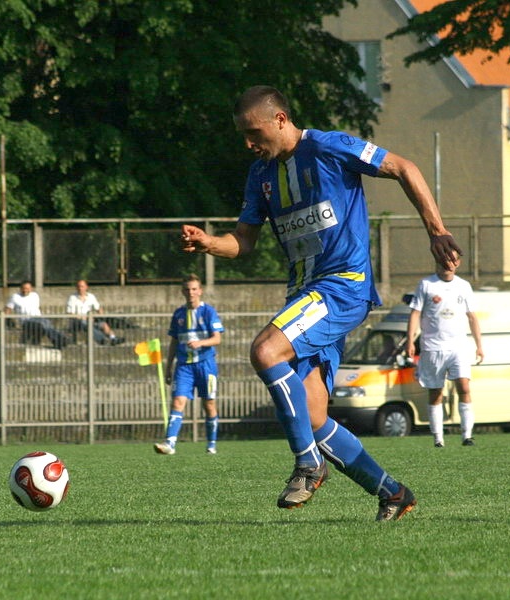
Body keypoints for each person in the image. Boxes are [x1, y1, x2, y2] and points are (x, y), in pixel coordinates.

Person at [180, 85, 461, 521]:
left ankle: (308, 465)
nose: (249, 144)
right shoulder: (261, 175)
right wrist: (209, 243)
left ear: (280, 120)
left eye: (253, 132)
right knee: (312, 416)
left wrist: (436, 230)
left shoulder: (330, 147)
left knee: (265, 350)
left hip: (343, 285)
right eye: (242, 135)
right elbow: (244, 242)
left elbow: (404, 168)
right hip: (305, 296)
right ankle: (392, 493)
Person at [406, 257, 484, 448]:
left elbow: (472, 316)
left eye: (452, 261)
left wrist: (479, 344)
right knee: (436, 392)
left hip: (458, 347)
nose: (448, 265)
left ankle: (467, 436)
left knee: (464, 388)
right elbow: (415, 313)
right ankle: (438, 438)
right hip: (433, 347)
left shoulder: (464, 286)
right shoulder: (426, 284)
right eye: (444, 261)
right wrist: (410, 341)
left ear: (457, 263)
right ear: (437, 263)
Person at [154, 274, 224, 455]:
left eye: (194, 289)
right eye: (187, 289)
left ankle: (211, 444)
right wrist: (168, 366)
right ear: (182, 291)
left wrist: (201, 343)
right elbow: (173, 342)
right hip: (184, 366)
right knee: (178, 401)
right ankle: (169, 444)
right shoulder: (178, 314)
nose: (190, 292)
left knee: (209, 404)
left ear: (199, 291)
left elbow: (217, 338)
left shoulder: (208, 312)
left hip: (206, 365)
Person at [0, 280, 69, 350]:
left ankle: (59, 340)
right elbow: (6, 312)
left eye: (28, 288)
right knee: (44, 323)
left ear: (31, 289)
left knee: (46, 322)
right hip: (26, 321)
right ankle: (60, 339)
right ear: (20, 288)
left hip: (38, 318)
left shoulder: (35, 295)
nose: (25, 290)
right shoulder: (15, 297)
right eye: (24, 288)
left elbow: (37, 308)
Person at [65, 279, 124, 345]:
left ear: (86, 287)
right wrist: (83, 317)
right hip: (77, 321)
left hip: (90, 319)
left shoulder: (91, 296)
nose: (80, 288)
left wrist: (100, 316)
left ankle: (113, 338)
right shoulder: (72, 298)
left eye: (82, 286)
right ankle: (102, 339)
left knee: (103, 324)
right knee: (85, 323)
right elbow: (70, 313)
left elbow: (98, 308)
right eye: (78, 286)